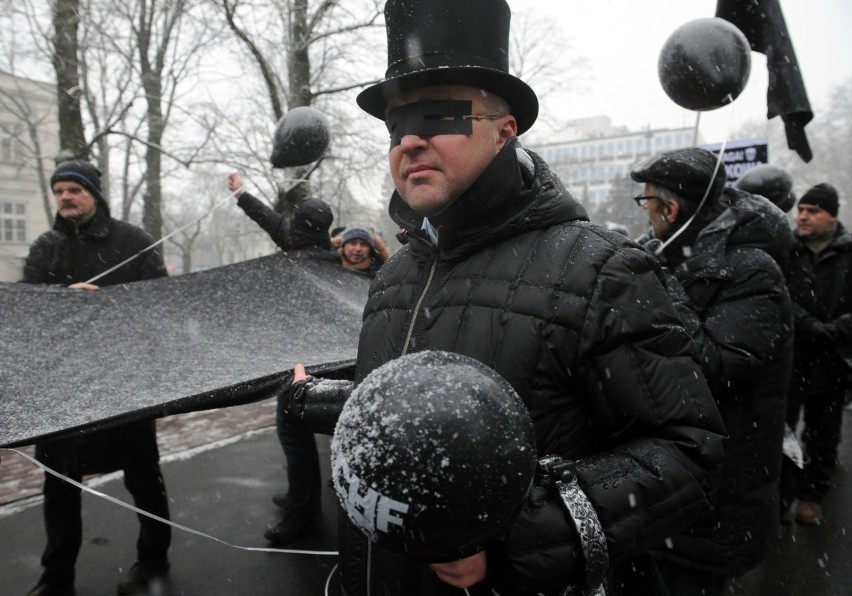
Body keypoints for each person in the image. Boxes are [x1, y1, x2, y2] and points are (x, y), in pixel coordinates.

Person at [280, 2, 726, 594]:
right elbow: (423, 421)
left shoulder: (602, 272)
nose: (409, 140)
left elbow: (688, 455)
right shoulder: (395, 277)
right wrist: (321, 402)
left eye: (438, 115)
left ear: (503, 129)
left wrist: (518, 531)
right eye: (394, 126)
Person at [612, 147, 794, 595]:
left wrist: (659, 283)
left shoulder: (752, 270)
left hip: (715, 500)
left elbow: (715, 368)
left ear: (670, 210)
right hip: (662, 490)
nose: (646, 213)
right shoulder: (673, 258)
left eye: (647, 202)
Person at [21, 160, 171, 596]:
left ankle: (153, 562)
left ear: (94, 195)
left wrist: (108, 306)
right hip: (62, 389)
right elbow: (27, 311)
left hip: (123, 384)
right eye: (59, 190)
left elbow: (162, 308)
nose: (65, 197)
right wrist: (61, 302)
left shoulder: (134, 242)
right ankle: (56, 578)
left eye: (74, 189)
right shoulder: (45, 247)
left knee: (144, 478)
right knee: (60, 486)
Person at [226, 172, 335, 544]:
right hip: (309, 364)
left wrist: (242, 193)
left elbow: (271, 221)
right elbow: (270, 220)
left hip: (303, 369)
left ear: (301, 226)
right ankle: (298, 496)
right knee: (296, 437)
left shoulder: (309, 262)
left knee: (296, 438)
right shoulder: (318, 252)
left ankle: (304, 512)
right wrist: (241, 193)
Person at [783, 183, 852, 525]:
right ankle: (782, 496)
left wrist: (836, 329)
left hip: (833, 360)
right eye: (801, 209)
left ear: (832, 215)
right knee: (783, 430)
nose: (803, 216)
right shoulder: (788, 250)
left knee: (823, 432)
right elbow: (780, 294)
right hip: (793, 356)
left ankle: (812, 495)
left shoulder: (848, 252)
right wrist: (808, 324)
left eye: (814, 210)